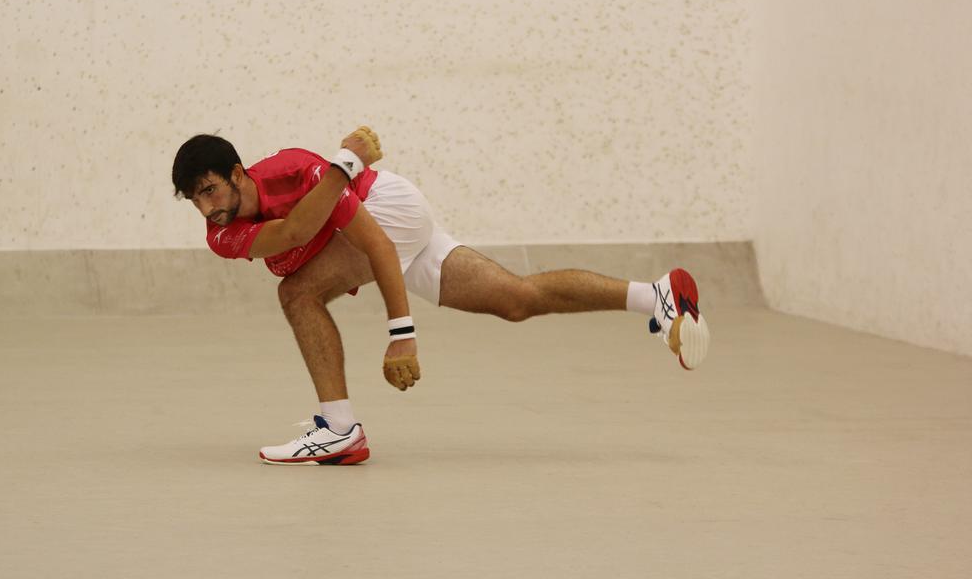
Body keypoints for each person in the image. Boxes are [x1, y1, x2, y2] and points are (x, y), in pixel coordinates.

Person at [171, 128, 710, 466]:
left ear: (239, 174)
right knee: (515, 299)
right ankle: (657, 296)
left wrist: (401, 335)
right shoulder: (223, 235)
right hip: (369, 210)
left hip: (389, 209)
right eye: (196, 199)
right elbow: (290, 235)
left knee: (296, 295)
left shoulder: (293, 168)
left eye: (212, 189)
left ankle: (338, 429)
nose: (207, 207)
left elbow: (377, 245)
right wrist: (342, 166)